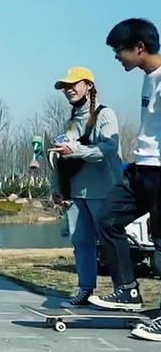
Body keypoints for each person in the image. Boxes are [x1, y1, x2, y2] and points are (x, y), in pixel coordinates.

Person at [90, 19, 161, 341]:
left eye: (119, 51)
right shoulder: (149, 78)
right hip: (140, 169)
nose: (117, 58)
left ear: (139, 48)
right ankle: (127, 291)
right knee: (108, 219)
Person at [46, 67, 122, 308]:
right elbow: (65, 159)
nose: (69, 89)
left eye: (73, 84)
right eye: (64, 87)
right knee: (81, 243)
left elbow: (109, 150)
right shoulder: (71, 121)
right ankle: (85, 290)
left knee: (112, 243)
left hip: (103, 190)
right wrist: (57, 186)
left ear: (88, 85)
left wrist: (75, 150)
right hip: (77, 194)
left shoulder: (105, 115)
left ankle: (125, 291)